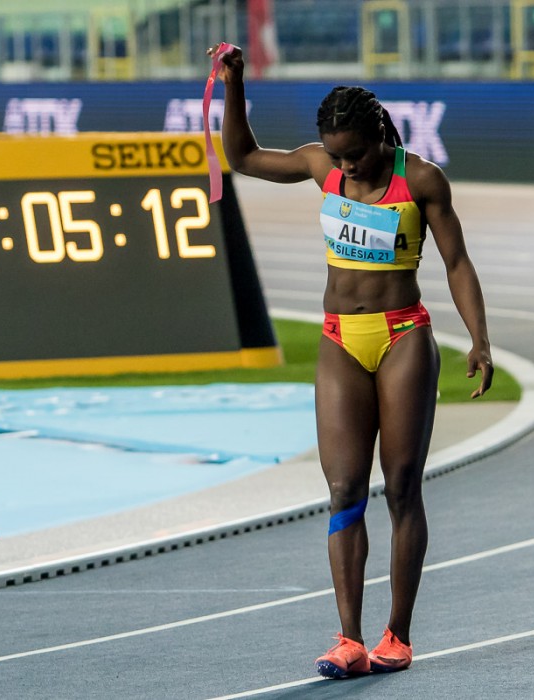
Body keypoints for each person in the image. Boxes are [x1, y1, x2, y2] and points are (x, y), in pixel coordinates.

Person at [211, 45, 494, 679]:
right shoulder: (322, 167)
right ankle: (348, 639)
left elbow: (456, 263)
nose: (347, 166)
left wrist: (479, 338)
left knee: (401, 487)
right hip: (340, 338)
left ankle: (398, 634)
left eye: (357, 154)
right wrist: (234, 84)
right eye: (338, 156)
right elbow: (244, 158)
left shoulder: (422, 180)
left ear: (380, 136)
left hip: (402, 336)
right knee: (343, 489)